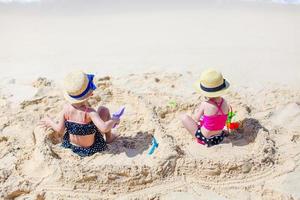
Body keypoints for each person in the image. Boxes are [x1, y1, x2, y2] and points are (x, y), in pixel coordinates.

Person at [41, 70, 119, 156]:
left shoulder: (66, 109)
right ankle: (109, 138)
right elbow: (104, 128)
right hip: (91, 148)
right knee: (103, 110)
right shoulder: (90, 112)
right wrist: (114, 120)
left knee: (89, 122)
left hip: (72, 146)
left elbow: (60, 130)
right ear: (90, 94)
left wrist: (50, 122)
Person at [181, 69, 230, 147]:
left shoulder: (205, 104)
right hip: (219, 137)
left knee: (184, 118)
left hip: (205, 139)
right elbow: (221, 119)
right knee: (213, 120)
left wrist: (195, 113)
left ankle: (197, 138)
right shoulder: (225, 103)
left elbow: (195, 119)